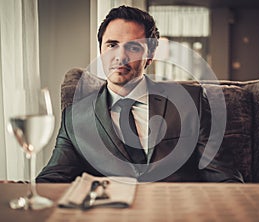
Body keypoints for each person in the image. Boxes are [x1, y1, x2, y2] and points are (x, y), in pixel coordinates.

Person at [36, 5, 243, 183]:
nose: (120, 56)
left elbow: (223, 176)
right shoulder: (75, 118)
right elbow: (53, 177)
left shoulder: (190, 101)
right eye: (112, 45)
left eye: (133, 47)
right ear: (100, 50)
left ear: (150, 56)